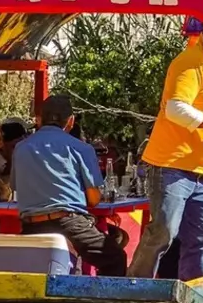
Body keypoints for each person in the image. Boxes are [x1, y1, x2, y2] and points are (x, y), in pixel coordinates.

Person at [129, 8, 203, 281]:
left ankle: (193, 290)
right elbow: (175, 109)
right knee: (164, 232)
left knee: (201, 239)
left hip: (201, 170)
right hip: (170, 165)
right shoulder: (190, 62)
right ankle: (135, 286)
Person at [14, 93, 126, 275]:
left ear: (39, 119)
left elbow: (16, 187)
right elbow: (94, 199)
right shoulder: (81, 148)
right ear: (71, 121)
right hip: (68, 223)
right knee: (115, 258)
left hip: (31, 226)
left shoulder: (21, 148)